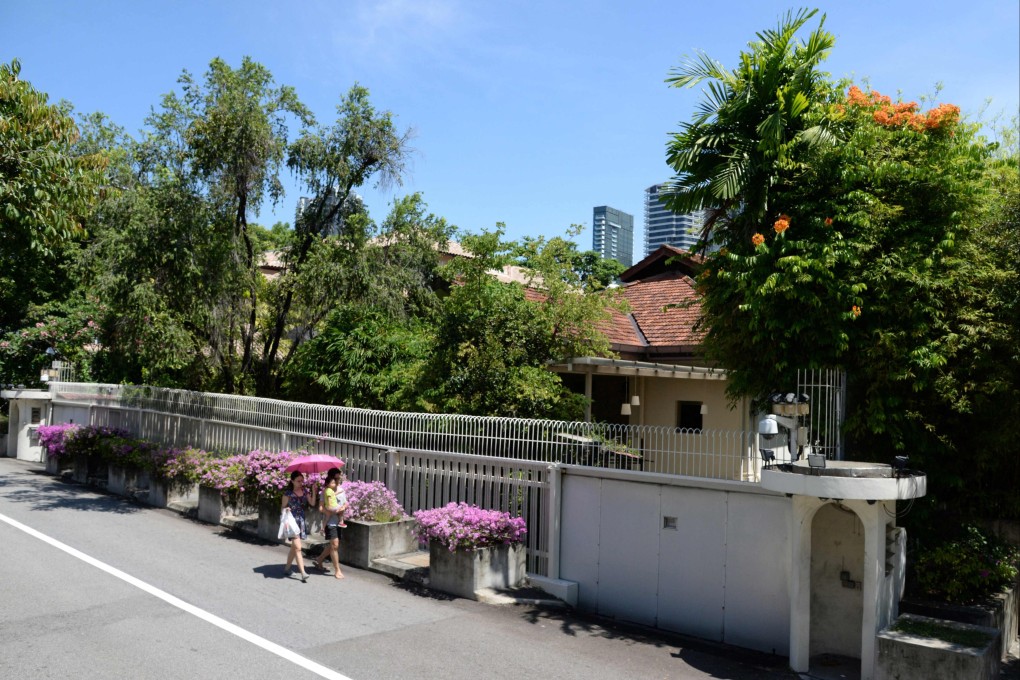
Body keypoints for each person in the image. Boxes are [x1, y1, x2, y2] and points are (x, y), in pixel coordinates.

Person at [282, 470, 318, 582]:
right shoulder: (287, 493)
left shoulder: (304, 491)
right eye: (298, 481)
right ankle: (303, 573)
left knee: (294, 547)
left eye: (302, 481)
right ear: (292, 481)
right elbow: (282, 508)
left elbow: (312, 503)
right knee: (298, 547)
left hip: (301, 521)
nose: (301, 483)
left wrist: (313, 491)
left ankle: (287, 568)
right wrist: (286, 509)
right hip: (291, 522)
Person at [314, 468, 348, 579]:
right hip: (330, 522)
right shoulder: (325, 491)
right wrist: (329, 511)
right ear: (331, 479)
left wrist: (343, 507)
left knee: (333, 545)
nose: (338, 481)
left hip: (339, 521)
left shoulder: (342, 490)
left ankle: (319, 559)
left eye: (339, 478)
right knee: (335, 545)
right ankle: (337, 570)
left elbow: (345, 503)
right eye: (336, 478)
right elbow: (320, 508)